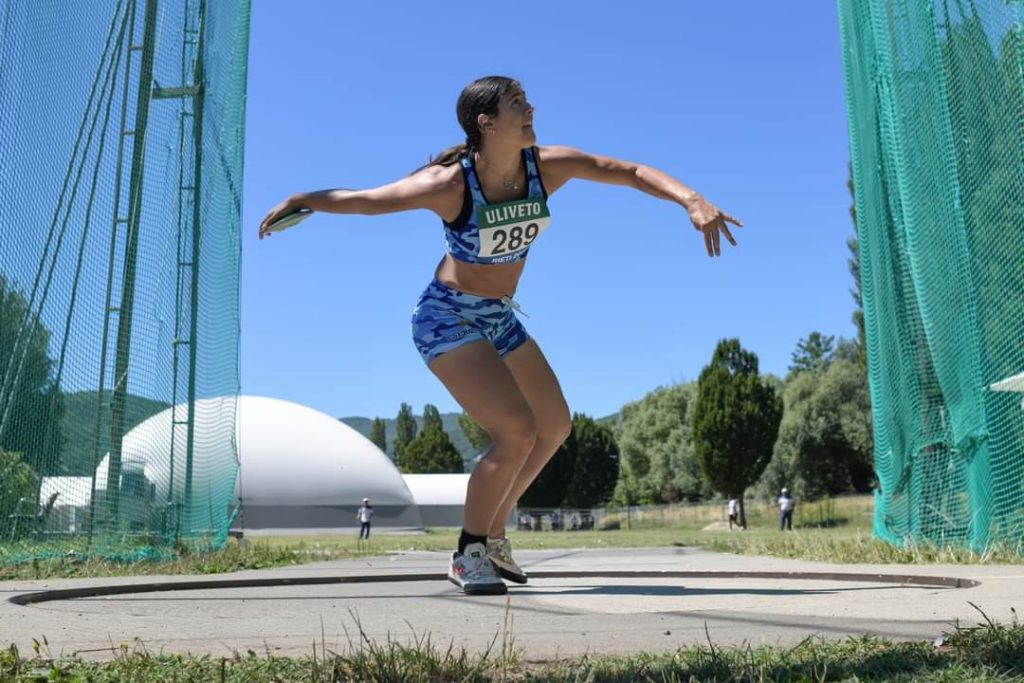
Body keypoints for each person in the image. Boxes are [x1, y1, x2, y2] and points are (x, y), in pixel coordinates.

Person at [260, 76, 741, 595]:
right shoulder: (449, 185)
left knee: (553, 425)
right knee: (515, 430)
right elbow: (367, 201)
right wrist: (302, 198)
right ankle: (468, 553)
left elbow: (627, 171)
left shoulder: (546, 167)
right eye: (517, 104)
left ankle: (492, 534)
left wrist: (692, 200)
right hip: (447, 317)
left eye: (527, 101)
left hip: (497, 315)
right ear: (486, 123)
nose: (531, 109)